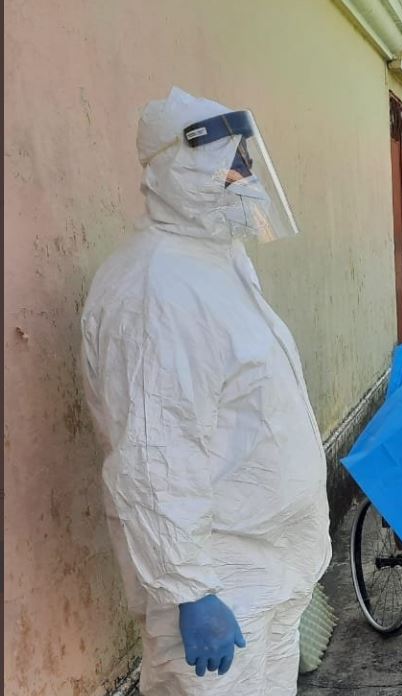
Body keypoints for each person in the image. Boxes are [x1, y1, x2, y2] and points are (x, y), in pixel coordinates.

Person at [81, 87, 332, 695]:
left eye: (246, 160)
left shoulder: (218, 262)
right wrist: (190, 591)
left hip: (270, 564)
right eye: (230, 163)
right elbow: (153, 455)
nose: (243, 177)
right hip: (219, 582)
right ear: (182, 168)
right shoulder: (154, 287)